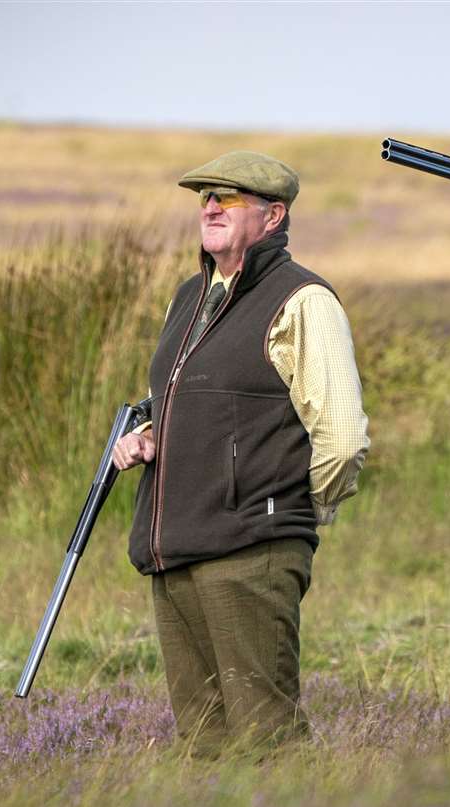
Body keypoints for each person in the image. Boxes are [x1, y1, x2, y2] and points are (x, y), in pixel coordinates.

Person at [111, 150, 369, 755]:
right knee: (202, 743)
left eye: (227, 198)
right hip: (175, 551)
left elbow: (341, 435)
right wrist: (147, 434)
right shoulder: (189, 297)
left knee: (267, 739)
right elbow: (180, 399)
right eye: (205, 197)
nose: (210, 207)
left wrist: (293, 518)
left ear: (273, 215)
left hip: (251, 551)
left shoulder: (303, 300)